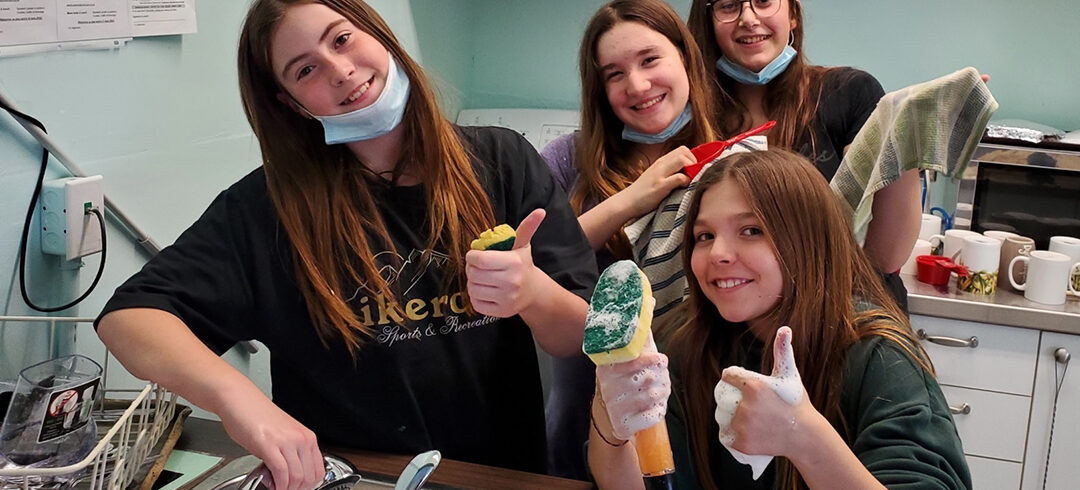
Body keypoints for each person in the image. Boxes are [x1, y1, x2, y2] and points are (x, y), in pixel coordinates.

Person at [95, 1, 596, 488]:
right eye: (305, 70)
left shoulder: (502, 161)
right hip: (352, 475)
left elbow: (579, 337)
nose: (340, 71)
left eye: (341, 39)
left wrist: (532, 292)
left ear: (378, 34)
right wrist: (238, 400)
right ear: (290, 103)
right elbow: (128, 319)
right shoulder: (268, 210)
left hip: (498, 475)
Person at [588, 149, 970, 489]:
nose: (718, 253)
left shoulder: (879, 357)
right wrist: (610, 419)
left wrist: (802, 438)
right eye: (704, 236)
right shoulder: (683, 341)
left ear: (809, 241)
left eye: (751, 231)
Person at [539, 0, 717, 479]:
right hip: (586, 419)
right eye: (614, 74)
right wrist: (631, 199)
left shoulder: (733, 158)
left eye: (650, 60)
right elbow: (529, 264)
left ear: (686, 57)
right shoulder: (567, 160)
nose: (637, 85)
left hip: (701, 417)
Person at [687, 0, 921, 311]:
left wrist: (907, 135)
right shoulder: (696, 122)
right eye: (729, 5)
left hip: (844, 315)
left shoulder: (847, 93)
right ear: (708, 22)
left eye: (763, 2)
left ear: (793, 15)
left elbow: (885, 256)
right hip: (741, 323)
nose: (748, 18)